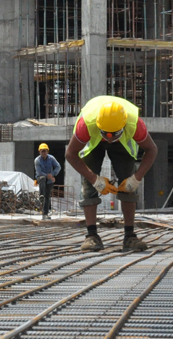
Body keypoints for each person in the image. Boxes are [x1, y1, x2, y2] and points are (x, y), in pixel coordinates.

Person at [65, 95, 157, 252]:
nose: (109, 139)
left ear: (122, 126)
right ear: (99, 126)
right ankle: (91, 236)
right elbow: (70, 154)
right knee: (89, 186)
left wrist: (136, 178)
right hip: (94, 139)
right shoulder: (86, 124)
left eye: (114, 134)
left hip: (121, 144)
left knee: (128, 185)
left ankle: (129, 236)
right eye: (106, 134)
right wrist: (94, 179)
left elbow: (152, 149)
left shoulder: (133, 124)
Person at [34, 143, 61, 220]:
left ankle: (45, 214)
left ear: (47, 151)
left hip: (49, 180)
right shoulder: (37, 160)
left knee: (48, 197)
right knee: (42, 178)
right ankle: (41, 194)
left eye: (45, 151)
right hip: (41, 178)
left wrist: (52, 174)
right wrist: (48, 176)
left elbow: (58, 167)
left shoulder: (51, 158)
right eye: (42, 151)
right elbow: (39, 172)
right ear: (39, 152)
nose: (43, 153)